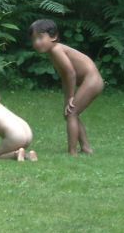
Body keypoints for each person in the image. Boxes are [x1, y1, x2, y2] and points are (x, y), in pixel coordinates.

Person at [28, 19, 104, 156]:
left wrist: (71, 96)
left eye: (40, 38)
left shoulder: (56, 49)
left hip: (92, 80)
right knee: (69, 113)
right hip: (91, 80)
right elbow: (65, 76)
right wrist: (67, 97)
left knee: (71, 114)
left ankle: (72, 152)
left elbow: (70, 73)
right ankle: (86, 148)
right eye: (34, 39)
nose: (37, 43)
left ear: (53, 37)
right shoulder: (53, 52)